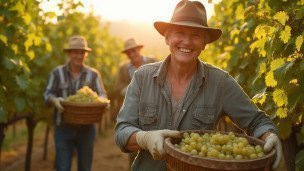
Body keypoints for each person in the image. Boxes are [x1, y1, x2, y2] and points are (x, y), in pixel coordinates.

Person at [114, 1, 282, 171]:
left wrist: (269, 135)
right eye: (180, 33)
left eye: (196, 35)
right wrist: (144, 138)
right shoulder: (143, 77)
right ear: (167, 38)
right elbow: (122, 132)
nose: (187, 42)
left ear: (204, 43)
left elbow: (256, 121)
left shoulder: (220, 82)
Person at [44, 35, 107, 171]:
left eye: (82, 52)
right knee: (62, 167)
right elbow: (47, 94)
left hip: (87, 129)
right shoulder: (57, 73)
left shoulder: (93, 74)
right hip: (63, 128)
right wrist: (55, 100)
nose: (79, 56)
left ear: (86, 54)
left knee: (85, 167)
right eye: (75, 52)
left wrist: (102, 102)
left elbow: (102, 94)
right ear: (69, 53)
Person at [114, 38, 156, 166]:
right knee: (133, 143)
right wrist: (129, 88)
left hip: (153, 109)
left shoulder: (153, 62)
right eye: (128, 53)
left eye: (134, 51)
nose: (132, 54)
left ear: (139, 49)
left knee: (153, 144)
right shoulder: (123, 68)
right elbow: (117, 87)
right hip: (134, 111)